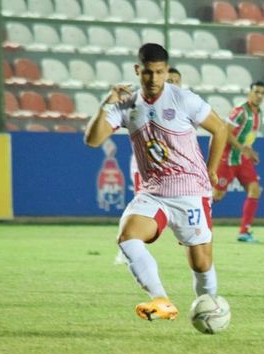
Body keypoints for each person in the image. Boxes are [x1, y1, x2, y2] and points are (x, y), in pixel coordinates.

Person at [85, 43, 227, 321]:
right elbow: (92, 140)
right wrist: (107, 102)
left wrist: (212, 169)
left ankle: (211, 311)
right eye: (148, 73)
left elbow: (220, 128)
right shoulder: (126, 104)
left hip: (190, 190)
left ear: (166, 71)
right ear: (138, 70)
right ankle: (161, 301)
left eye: (159, 72)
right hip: (154, 192)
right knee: (127, 236)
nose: (153, 79)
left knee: (201, 263)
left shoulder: (183, 99)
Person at [113, 66, 184, 265]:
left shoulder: (183, 105)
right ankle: (129, 245)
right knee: (142, 202)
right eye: (169, 80)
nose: (172, 83)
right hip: (145, 166)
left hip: (173, 167)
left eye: (176, 80)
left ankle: (186, 234)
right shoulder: (146, 104)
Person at [213, 81, 264, 243]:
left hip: (242, 159)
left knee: (255, 189)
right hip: (228, 157)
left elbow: (247, 138)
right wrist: (242, 148)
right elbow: (225, 132)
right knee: (217, 195)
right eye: (256, 92)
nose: (259, 96)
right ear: (249, 93)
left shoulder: (259, 113)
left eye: (262, 93)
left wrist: (249, 151)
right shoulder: (240, 111)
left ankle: (244, 231)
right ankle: (189, 220)